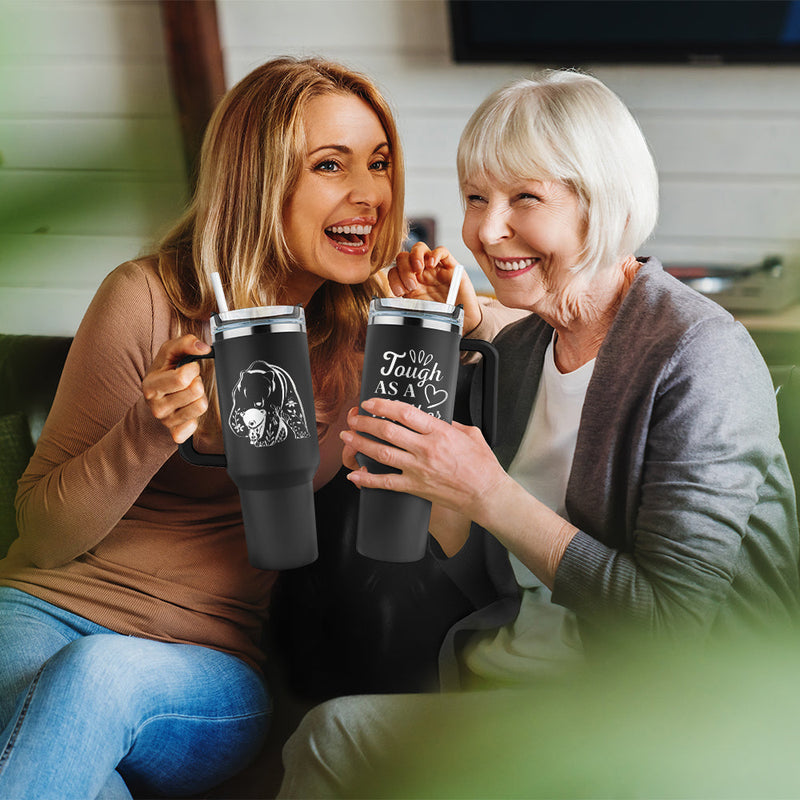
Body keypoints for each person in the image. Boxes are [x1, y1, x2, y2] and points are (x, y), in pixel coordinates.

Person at [278, 69, 800, 798]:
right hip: (522, 683)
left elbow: (671, 626)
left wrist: (489, 493)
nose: (487, 231)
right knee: (329, 732)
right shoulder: (521, 353)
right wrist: (437, 491)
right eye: (475, 198)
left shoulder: (699, 355)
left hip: (683, 720)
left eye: (525, 198)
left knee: (333, 740)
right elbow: (490, 573)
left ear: (601, 204)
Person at [0, 55, 462, 799]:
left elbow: (448, 527)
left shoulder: (366, 336)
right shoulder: (146, 299)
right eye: (329, 165)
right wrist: (148, 432)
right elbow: (43, 537)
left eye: (377, 163)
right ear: (258, 179)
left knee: (97, 679)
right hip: (39, 615)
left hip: (206, 663)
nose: (369, 193)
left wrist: (447, 329)